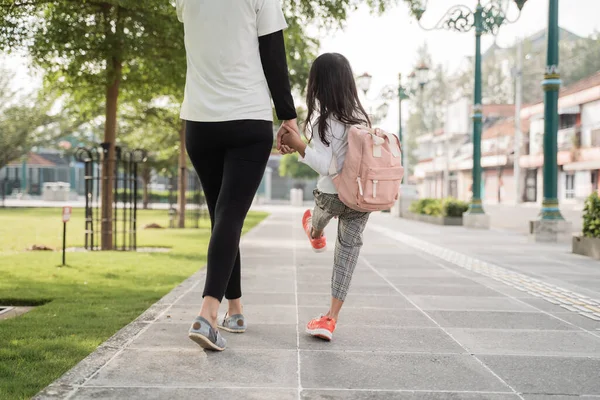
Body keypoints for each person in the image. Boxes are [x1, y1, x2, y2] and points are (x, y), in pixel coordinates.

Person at [176, 0, 299, 351]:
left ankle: (236, 309)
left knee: (223, 218)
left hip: (200, 122)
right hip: (248, 117)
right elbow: (274, 55)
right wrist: (288, 116)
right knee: (229, 216)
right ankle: (207, 313)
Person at [280, 53, 372, 341]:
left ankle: (314, 231)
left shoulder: (324, 121)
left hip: (332, 196)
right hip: (360, 200)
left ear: (318, 84)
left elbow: (324, 165)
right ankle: (330, 319)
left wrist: (298, 144)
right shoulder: (362, 118)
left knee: (318, 214)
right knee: (346, 255)